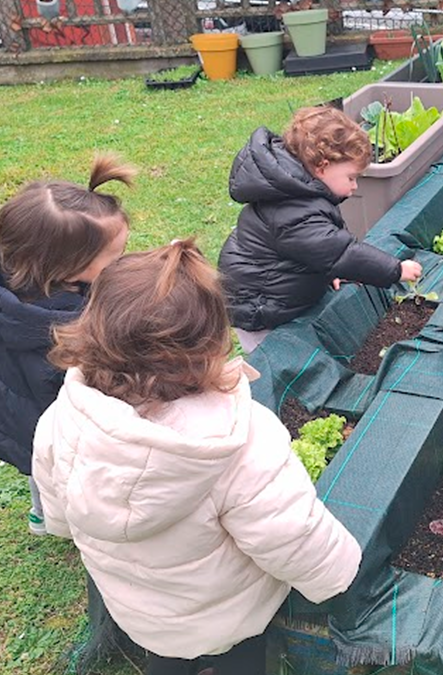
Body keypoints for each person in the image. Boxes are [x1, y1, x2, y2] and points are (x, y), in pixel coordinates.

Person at [32, 240, 362, 675]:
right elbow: (289, 533)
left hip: (139, 610)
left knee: (166, 655)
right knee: (240, 658)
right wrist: (338, 576)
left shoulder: (65, 415)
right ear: (210, 344)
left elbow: (57, 510)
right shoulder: (235, 440)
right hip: (229, 614)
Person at [0, 155, 134, 535]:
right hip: (51, 421)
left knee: (38, 468)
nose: (121, 263)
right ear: (66, 268)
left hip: (18, 411)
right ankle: (66, 522)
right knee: (57, 471)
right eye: (113, 258)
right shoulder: (58, 328)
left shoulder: (11, 282)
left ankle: (41, 513)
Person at [219, 106, 422, 353]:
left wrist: (324, 270)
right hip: (260, 306)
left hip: (278, 285)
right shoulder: (293, 211)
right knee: (277, 363)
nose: (355, 186)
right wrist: (395, 269)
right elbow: (341, 253)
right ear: (322, 167)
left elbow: (319, 249)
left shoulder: (301, 190)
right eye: (351, 177)